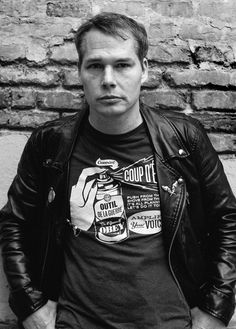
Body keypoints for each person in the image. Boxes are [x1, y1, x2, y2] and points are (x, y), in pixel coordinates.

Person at [0, 12, 236, 329]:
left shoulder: (184, 139)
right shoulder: (50, 144)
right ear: (80, 73)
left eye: (122, 65)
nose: (108, 79)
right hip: (74, 322)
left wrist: (215, 311)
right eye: (95, 65)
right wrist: (30, 307)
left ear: (144, 70)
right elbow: (13, 222)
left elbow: (228, 220)